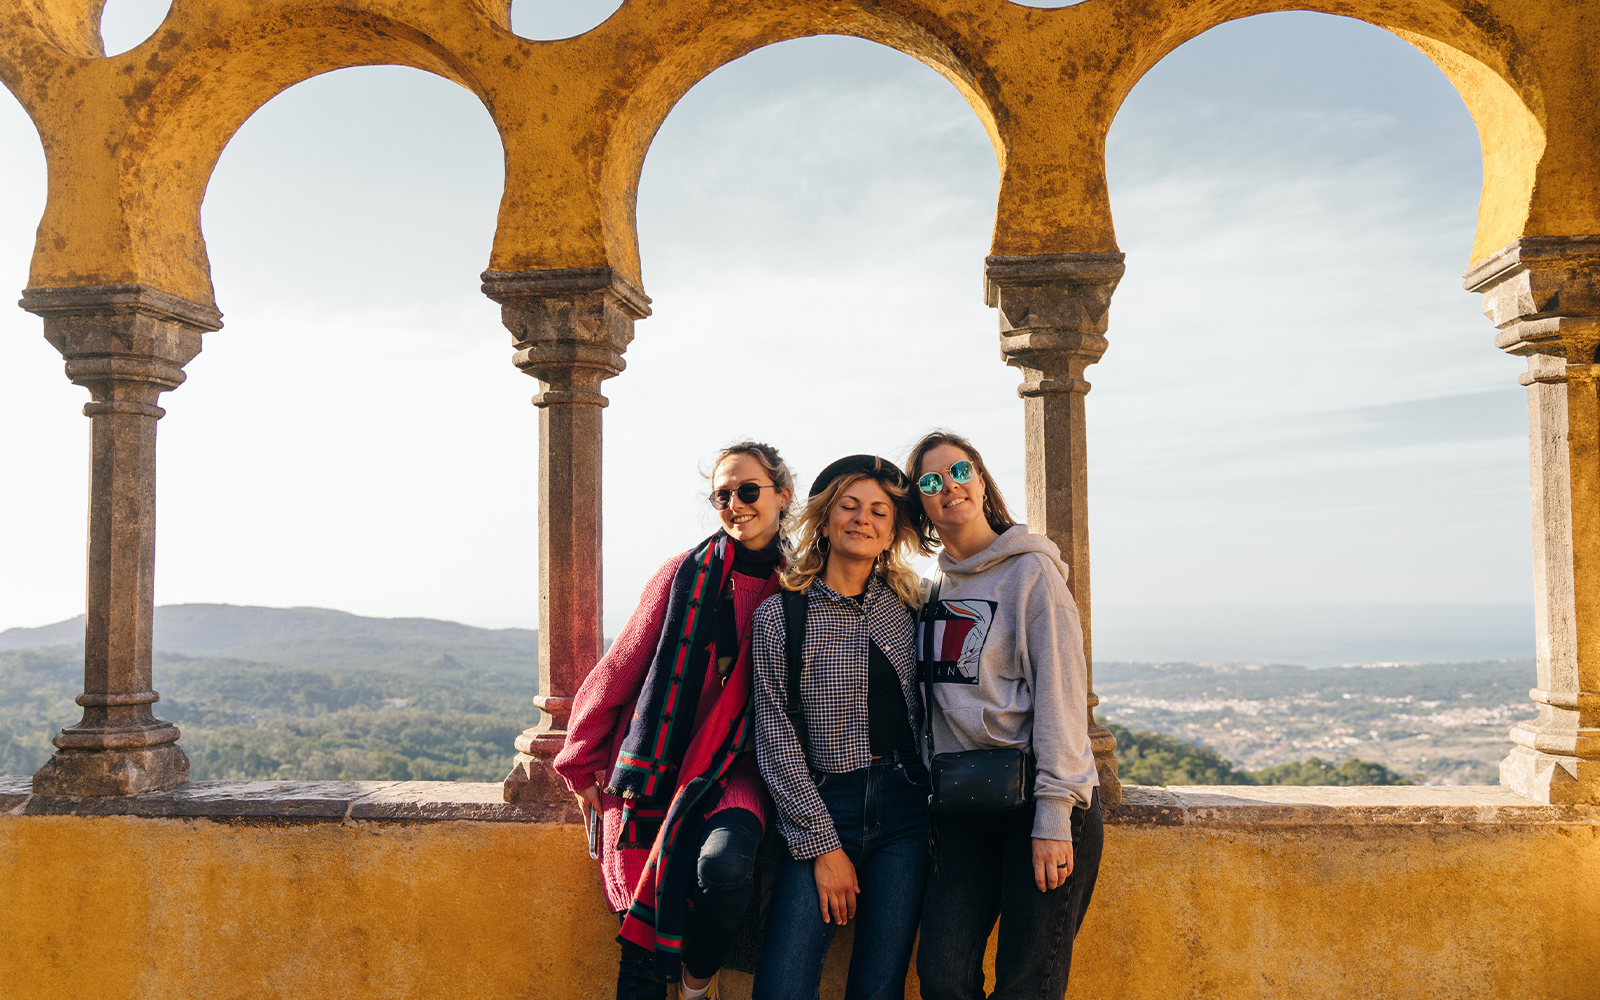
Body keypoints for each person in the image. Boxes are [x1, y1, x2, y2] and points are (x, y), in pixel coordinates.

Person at [554, 442, 795, 1000]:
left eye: (748, 490)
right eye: (722, 495)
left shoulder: (799, 586)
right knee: (638, 954)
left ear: (783, 495)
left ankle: (695, 986)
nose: (735, 503)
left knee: (728, 867)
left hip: (737, 767)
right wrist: (581, 759)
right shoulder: (681, 576)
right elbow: (620, 665)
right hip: (655, 770)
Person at [906, 430, 1104, 1000]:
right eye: (930, 481)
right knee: (942, 974)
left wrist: (1052, 816)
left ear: (982, 480)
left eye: (960, 471)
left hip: (1037, 807)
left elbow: (1062, 697)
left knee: (1027, 984)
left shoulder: (1031, 574)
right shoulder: (932, 589)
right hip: (963, 807)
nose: (949, 487)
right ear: (919, 505)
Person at [749, 455, 928, 1000]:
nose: (862, 519)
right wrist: (825, 847)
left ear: (892, 531)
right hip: (823, 804)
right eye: (848, 507)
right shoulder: (782, 615)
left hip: (906, 811)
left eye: (878, 511)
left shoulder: (909, 606)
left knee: (879, 987)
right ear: (824, 521)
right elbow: (775, 738)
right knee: (782, 984)